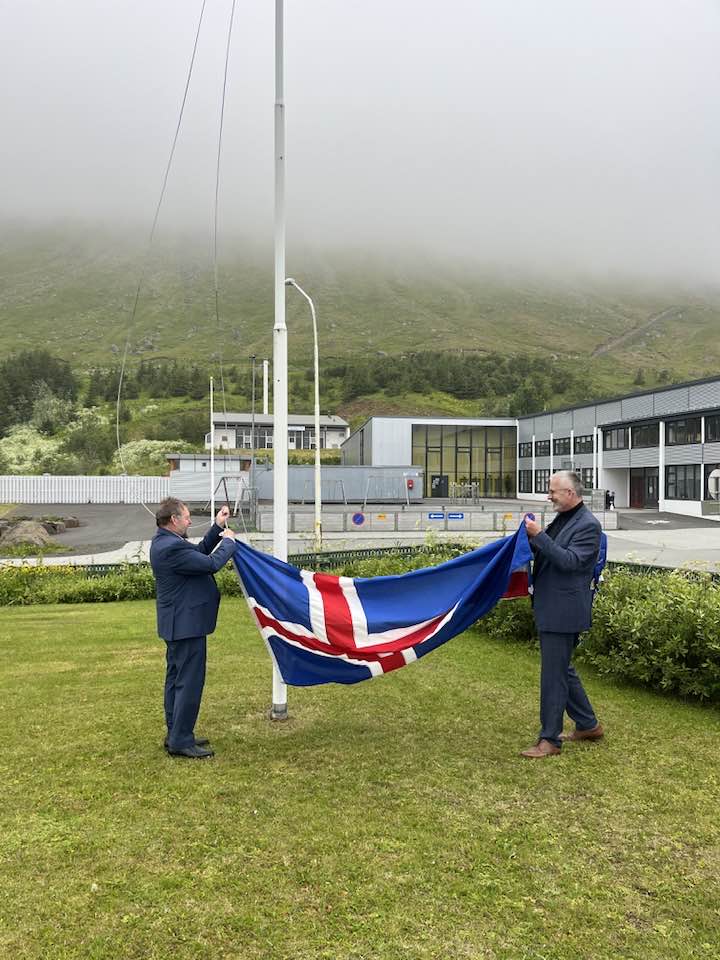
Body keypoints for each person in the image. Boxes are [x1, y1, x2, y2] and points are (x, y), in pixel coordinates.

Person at [520, 471, 604, 759]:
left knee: (554, 675)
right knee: (562, 668)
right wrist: (528, 542)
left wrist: (539, 536)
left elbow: (571, 562)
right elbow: (550, 553)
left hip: (563, 611)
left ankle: (550, 740)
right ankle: (588, 724)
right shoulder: (565, 518)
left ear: (570, 493)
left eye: (553, 491)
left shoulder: (588, 525)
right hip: (552, 606)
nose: (549, 495)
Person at [150, 497, 238, 759]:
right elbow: (210, 564)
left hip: (178, 624)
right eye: (187, 517)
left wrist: (217, 527)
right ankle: (180, 740)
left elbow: (198, 554)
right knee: (188, 683)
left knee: (176, 681)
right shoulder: (171, 547)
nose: (190, 520)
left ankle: (176, 733)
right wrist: (229, 541)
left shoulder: (166, 542)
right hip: (185, 625)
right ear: (174, 520)